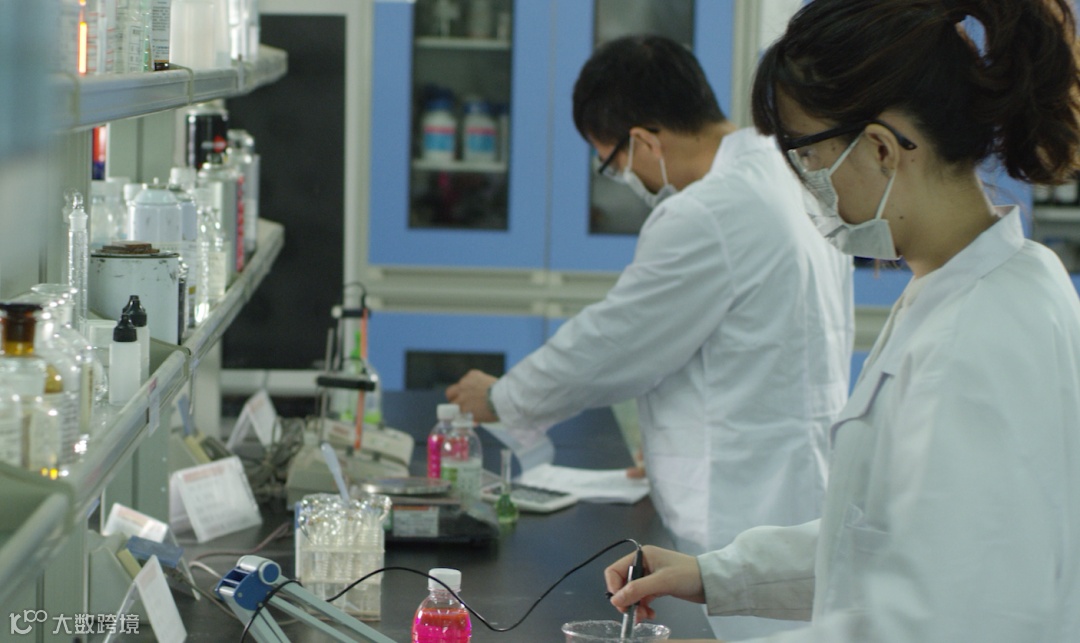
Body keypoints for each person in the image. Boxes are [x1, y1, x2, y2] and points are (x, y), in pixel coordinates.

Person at [603, 1, 1080, 641]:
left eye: (807, 158)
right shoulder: (968, 284)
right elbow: (882, 541)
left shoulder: (981, 332)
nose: (805, 184)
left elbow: (946, 618)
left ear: (880, 149)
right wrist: (714, 574)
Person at [447, 36, 853, 636]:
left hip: (741, 511)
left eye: (613, 163)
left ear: (643, 141)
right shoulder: (790, 177)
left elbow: (613, 345)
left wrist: (503, 397)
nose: (626, 178)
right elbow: (749, 347)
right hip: (801, 493)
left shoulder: (710, 211)